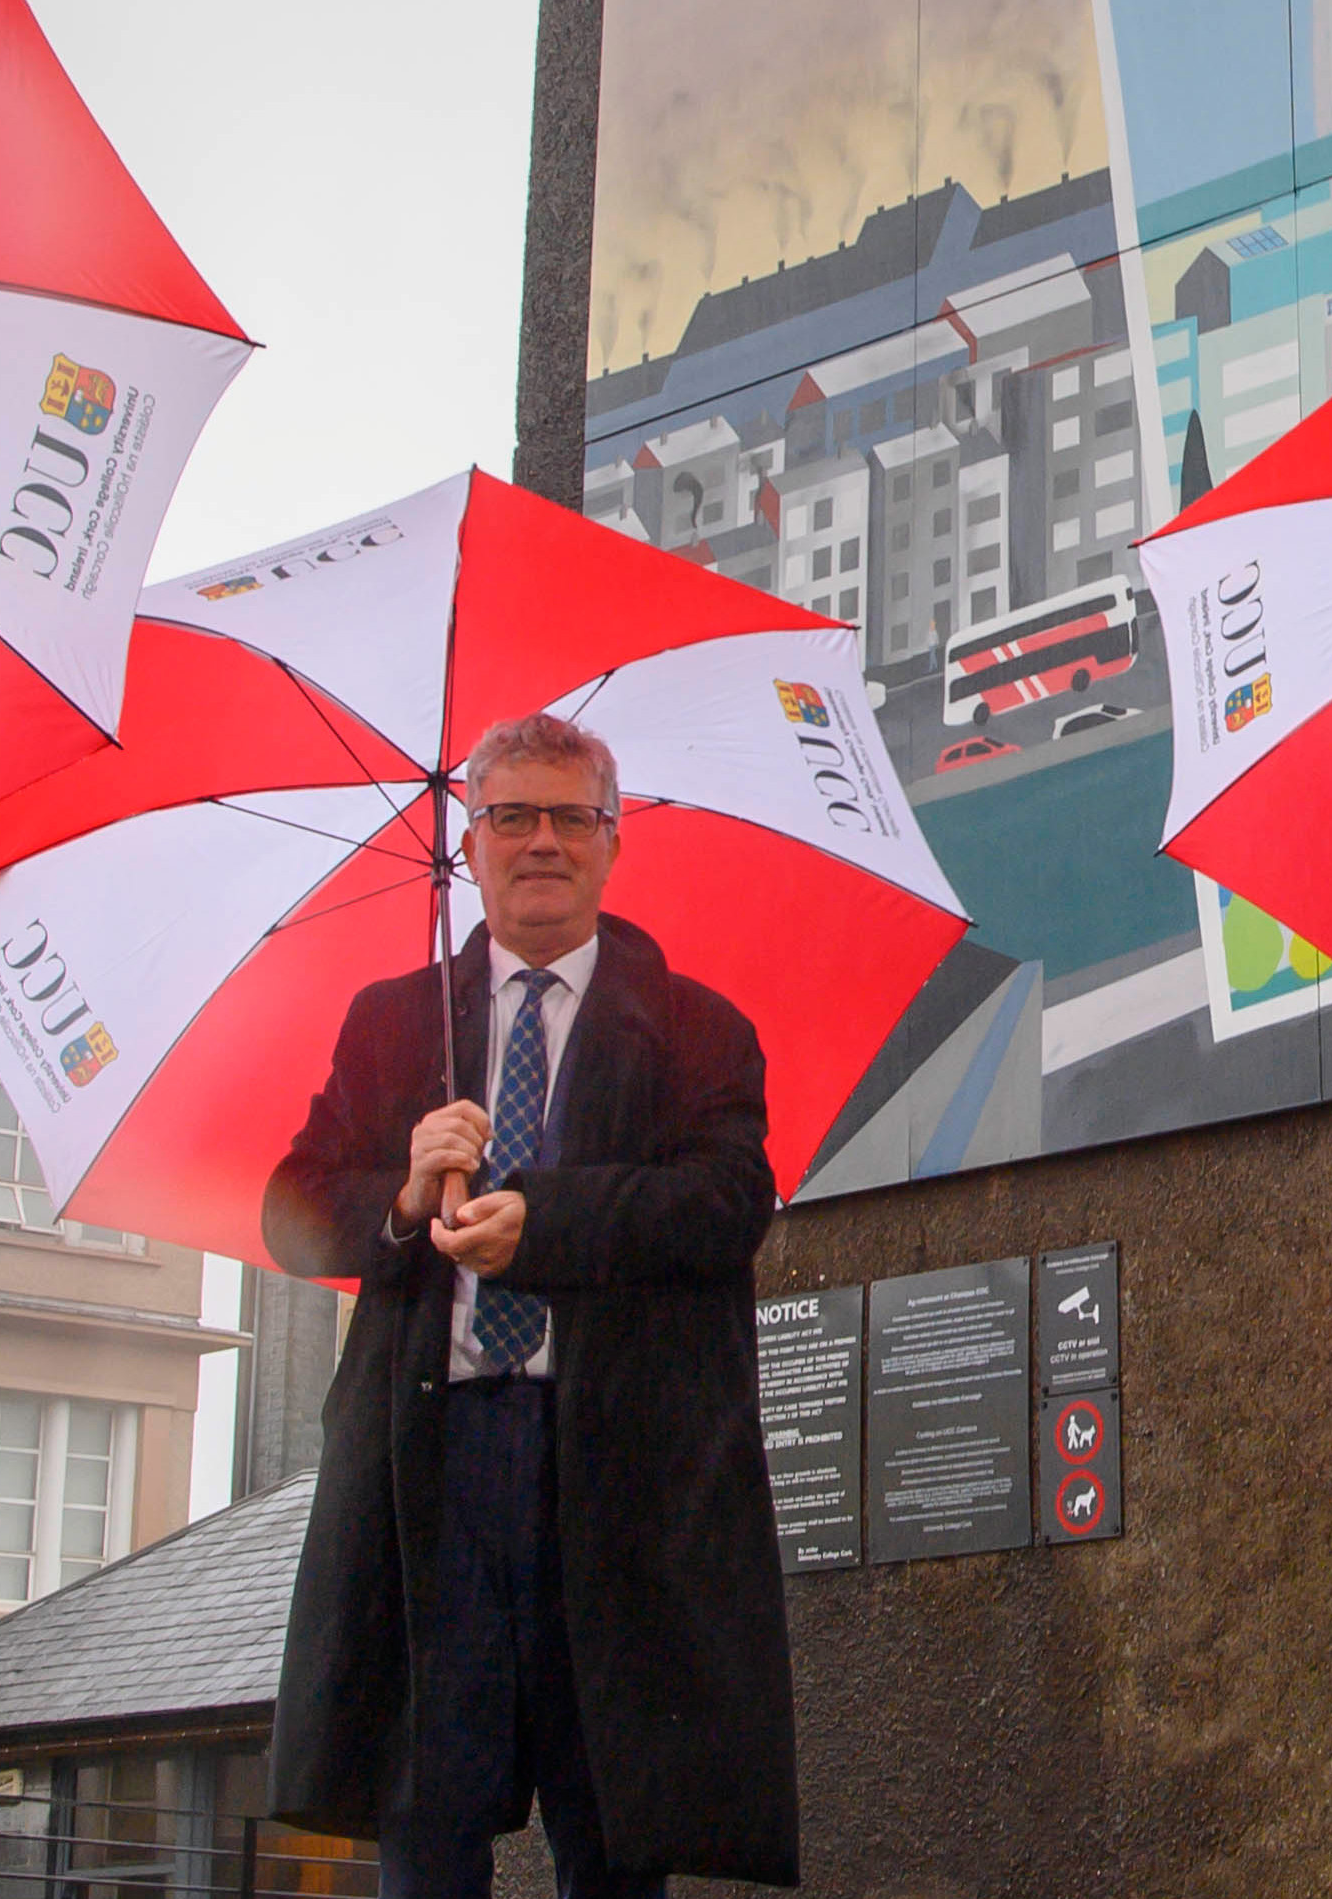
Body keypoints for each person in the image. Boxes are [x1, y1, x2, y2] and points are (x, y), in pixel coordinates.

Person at [262, 715, 796, 1897]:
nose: (541, 840)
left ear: (613, 842)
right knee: (425, 1828)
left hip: (612, 1471)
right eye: (512, 815)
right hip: (433, 1470)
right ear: (471, 838)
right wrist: (401, 1190)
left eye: (570, 816)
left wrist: (543, 1223)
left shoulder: (699, 1026)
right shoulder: (394, 1019)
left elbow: (726, 1202)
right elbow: (291, 1208)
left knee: (612, 1831)